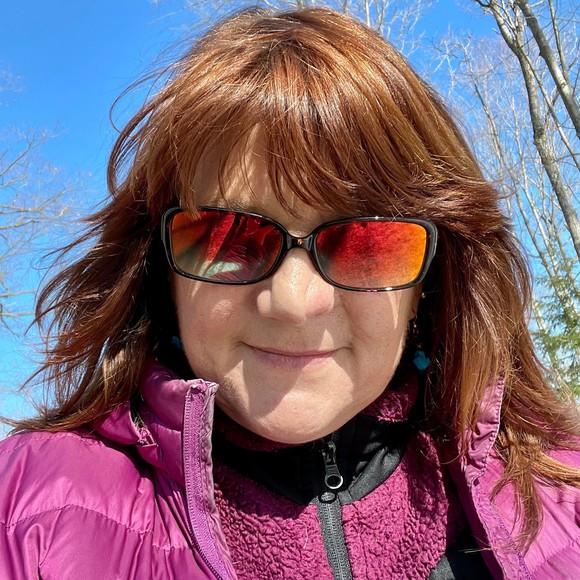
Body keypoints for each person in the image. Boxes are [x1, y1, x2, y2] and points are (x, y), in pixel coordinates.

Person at [1, 7, 579, 579]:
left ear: (432, 279)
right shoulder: (29, 517)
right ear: (161, 272)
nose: (294, 302)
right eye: (228, 238)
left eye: (365, 242)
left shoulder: (566, 497)